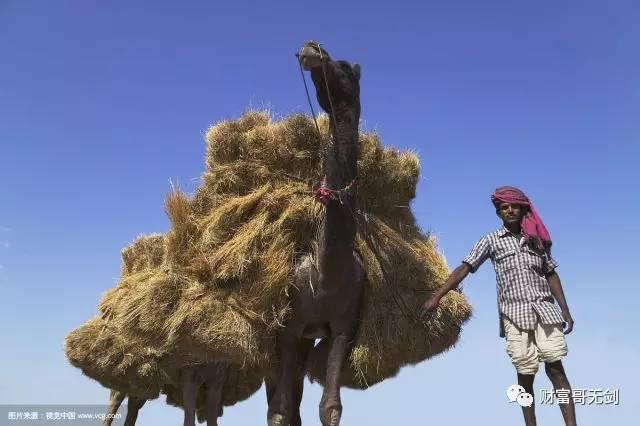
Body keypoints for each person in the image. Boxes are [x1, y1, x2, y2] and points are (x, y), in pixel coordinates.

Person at [423, 186, 576, 426]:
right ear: (499, 213)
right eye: (505, 207)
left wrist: (565, 309)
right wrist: (438, 295)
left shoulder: (536, 240)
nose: (510, 210)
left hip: (546, 311)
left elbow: (551, 274)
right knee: (525, 376)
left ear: (523, 208)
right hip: (515, 316)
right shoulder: (491, 241)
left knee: (556, 368)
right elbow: (466, 266)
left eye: (514, 206)